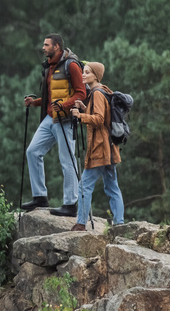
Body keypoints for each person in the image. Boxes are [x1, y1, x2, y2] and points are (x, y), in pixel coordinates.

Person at [21, 34, 86, 217]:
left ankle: (70, 204)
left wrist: (64, 105)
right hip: (49, 117)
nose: (43, 47)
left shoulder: (71, 65)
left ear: (56, 47)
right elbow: (50, 98)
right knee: (32, 151)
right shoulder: (49, 67)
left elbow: (81, 94)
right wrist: (34, 103)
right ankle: (40, 197)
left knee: (67, 161)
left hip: (65, 119)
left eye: (46, 45)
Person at [69, 61, 125, 231]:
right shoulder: (103, 92)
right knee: (112, 187)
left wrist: (80, 116)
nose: (83, 75)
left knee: (84, 185)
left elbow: (99, 119)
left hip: (100, 149)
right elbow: (101, 116)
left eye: (87, 72)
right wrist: (85, 109)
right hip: (109, 149)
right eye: (83, 72)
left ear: (96, 75)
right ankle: (120, 223)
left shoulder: (97, 94)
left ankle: (80, 223)